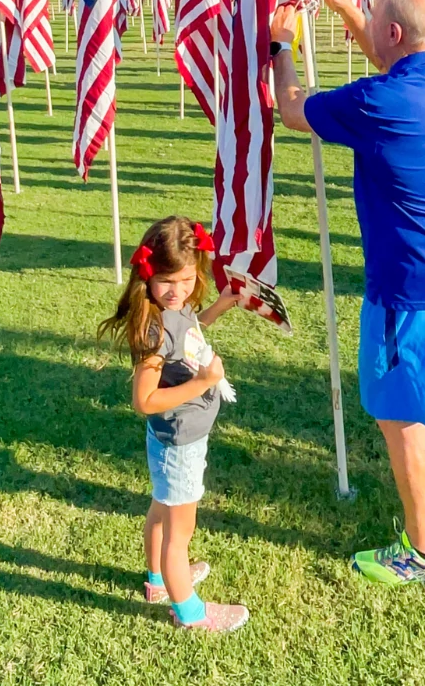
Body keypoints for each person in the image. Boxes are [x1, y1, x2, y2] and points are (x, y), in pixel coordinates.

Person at [270, 0, 425, 586]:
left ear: (395, 31)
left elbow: (291, 107)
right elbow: (387, 52)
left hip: (412, 288)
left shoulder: (377, 103)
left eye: (375, 17)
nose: (370, 30)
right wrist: (347, 6)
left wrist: (281, 44)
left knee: (400, 414)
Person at [98, 215, 247, 631]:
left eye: (186, 280)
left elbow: (192, 332)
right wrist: (203, 381)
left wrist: (220, 305)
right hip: (178, 441)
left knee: (162, 509)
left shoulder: (176, 312)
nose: (177, 291)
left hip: (179, 439)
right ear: (147, 276)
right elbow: (144, 400)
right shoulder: (153, 332)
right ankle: (190, 613)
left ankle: (158, 581)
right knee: (179, 532)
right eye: (167, 281)